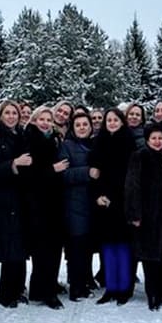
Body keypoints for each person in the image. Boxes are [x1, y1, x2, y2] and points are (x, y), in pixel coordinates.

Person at [126, 124, 162, 310]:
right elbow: (132, 186)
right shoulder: (140, 156)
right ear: (147, 140)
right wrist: (135, 213)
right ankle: (152, 293)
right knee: (149, 255)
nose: (157, 142)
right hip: (147, 214)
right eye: (154, 138)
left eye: (160, 138)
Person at [0, 100, 31, 307]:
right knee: (9, 245)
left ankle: (18, 288)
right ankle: (6, 293)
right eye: (8, 113)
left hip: (21, 195)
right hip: (5, 196)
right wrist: (14, 164)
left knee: (20, 244)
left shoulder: (20, 134)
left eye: (15, 113)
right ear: (1, 115)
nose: (12, 116)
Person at [23, 106, 68, 309]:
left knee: (52, 246)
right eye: (41, 118)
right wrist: (52, 169)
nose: (45, 122)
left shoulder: (52, 139)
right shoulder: (30, 139)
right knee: (43, 248)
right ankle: (45, 291)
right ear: (33, 120)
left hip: (53, 201)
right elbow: (29, 174)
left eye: (48, 120)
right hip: (38, 202)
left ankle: (42, 286)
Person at [91, 108, 137, 304]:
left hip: (123, 201)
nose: (111, 123)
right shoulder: (99, 141)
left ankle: (124, 288)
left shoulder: (128, 141)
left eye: (115, 119)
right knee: (108, 247)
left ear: (121, 121)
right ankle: (111, 287)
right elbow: (95, 172)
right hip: (104, 201)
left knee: (124, 247)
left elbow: (132, 176)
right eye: (108, 120)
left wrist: (121, 199)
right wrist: (98, 195)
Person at [61, 112, 96, 301]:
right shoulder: (67, 146)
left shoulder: (95, 145)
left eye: (85, 124)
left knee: (87, 249)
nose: (82, 127)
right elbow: (63, 175)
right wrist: (86, 172)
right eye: (78, 125)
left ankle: (84, 283)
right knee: (76, 249)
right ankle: (76, 287)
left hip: (92, 205)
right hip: (74, 205)